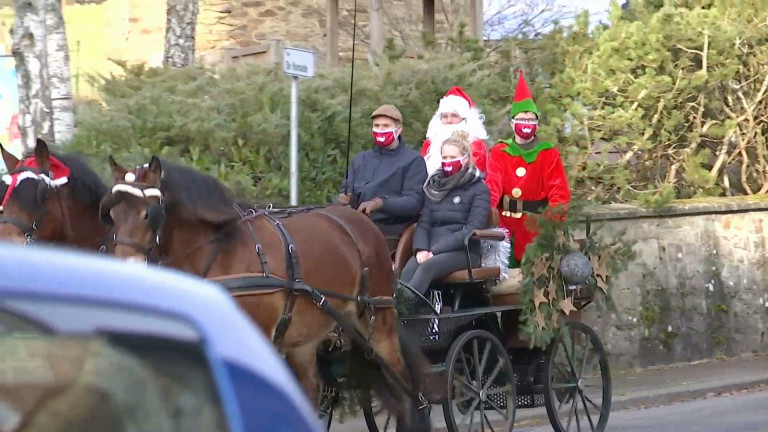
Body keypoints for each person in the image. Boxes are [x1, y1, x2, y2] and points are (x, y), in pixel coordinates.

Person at [485, 70, 571, 280]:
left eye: (531, 120)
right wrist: (486, 215)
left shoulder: (548, 152)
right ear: (513, 123)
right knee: (502, 287)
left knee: (537, 284)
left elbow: (559, 194)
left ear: (537, 124)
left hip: (536, 228)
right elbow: (492, 187)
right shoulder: (499, 151)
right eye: (522, 119)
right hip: (504, 229)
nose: (526, 124)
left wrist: (550, 224)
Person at [400, 130, 490, 296]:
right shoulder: (436, 186)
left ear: (465, 159)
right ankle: (397, 311)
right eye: (444, 158)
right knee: (408, 269)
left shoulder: (478, 189)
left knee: (427, 267)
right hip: (431, 249)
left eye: (452, 157)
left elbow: (472, 228)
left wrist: (436, 250)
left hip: (464, 251)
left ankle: (406, 310)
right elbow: (424, 223)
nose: (447, 162)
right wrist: (421, 248)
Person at [337, 104, 427, 252]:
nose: (380, 130)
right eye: (376, 126)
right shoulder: (361, 159)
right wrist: (343, 198)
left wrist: (379, 203)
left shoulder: (413, 161)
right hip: (353, 225)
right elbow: (346, 189)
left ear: (398, 129)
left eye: (385, 126)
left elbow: (414, 202)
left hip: (388, 230)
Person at [421, 87, 489, 175]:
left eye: (454, 115)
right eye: (445, 116)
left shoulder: (476, 146)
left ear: (465, 119)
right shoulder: (430, 144)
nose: (449, 121)